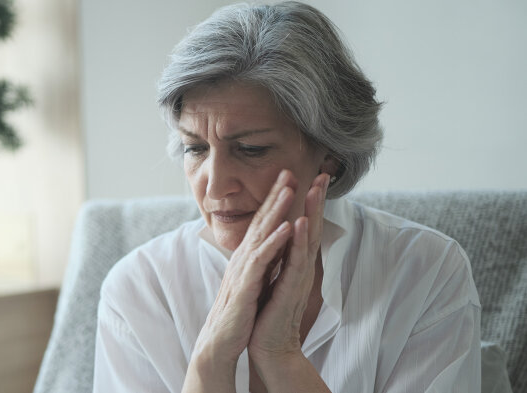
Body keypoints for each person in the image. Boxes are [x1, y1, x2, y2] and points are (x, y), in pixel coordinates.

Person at [93, 2, 481, 392]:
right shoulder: (140, 289)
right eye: (195, 148)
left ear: (330, 153)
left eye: (250, 149)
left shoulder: (426, 272)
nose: (213, 187)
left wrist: (279, 354)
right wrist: (210, 361)